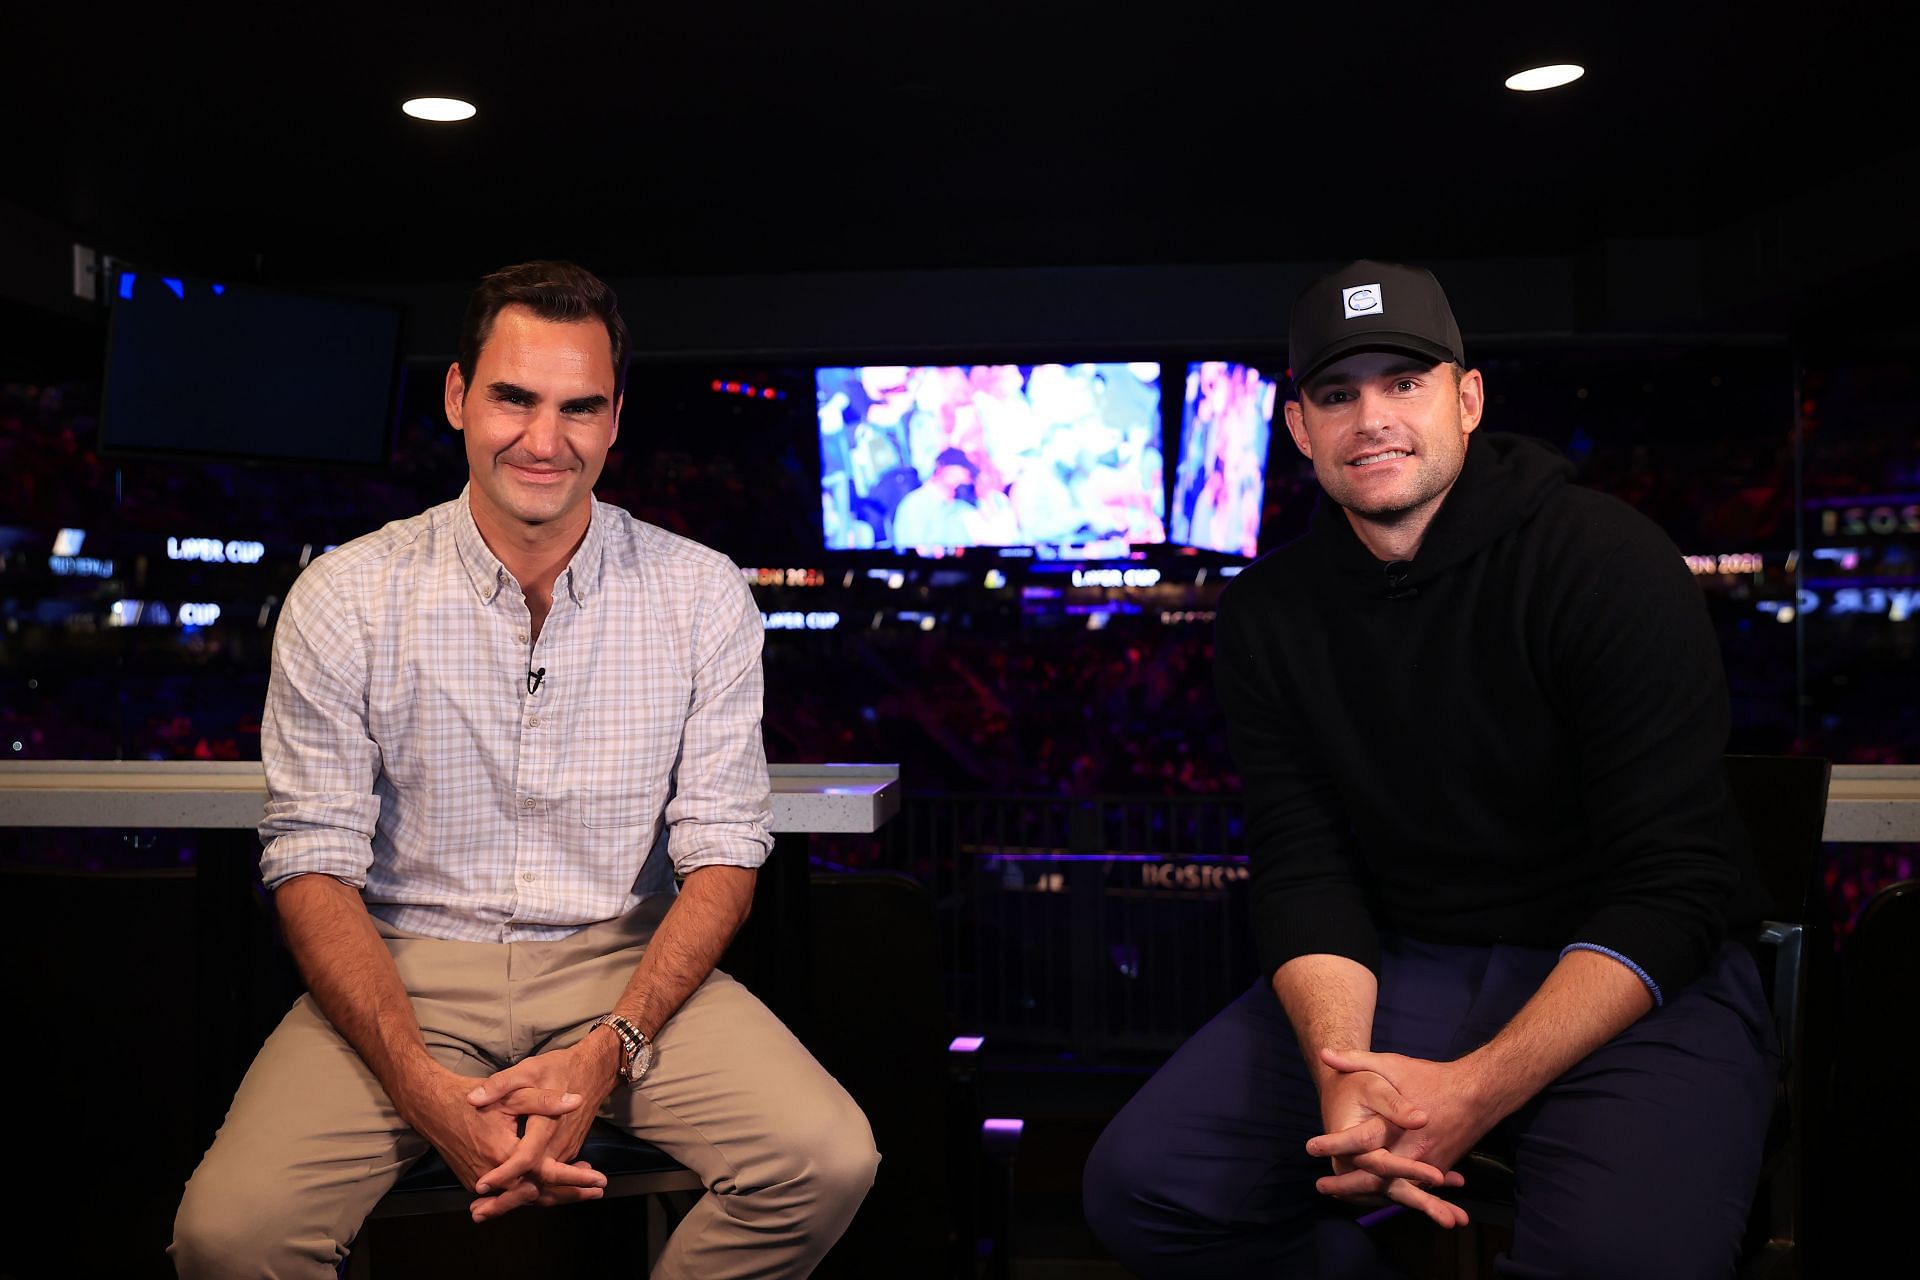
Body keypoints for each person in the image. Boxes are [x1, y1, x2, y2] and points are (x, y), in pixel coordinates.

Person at [172, 261, 878, 1279]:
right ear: (459, 396)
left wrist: (611, 1050)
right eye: (515, 398)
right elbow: (312, 862)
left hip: (620, 966)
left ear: (615, 419)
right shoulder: (346, 593)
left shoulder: (701, 594)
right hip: (404, 962)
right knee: (228, 1236)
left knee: (825, 1159)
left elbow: (724, 855)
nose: (546, 441)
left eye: (579, 407)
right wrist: (419, 1086)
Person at [1083, 260, 1776, 1278]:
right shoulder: (1271, 611)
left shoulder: (1605, 559)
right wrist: (1341, 1074)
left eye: (1403, 382)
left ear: (1467, 396)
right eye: (1337, 392)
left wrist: (1478, 1088)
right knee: (1144, 1187)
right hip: (1413, 962)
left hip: (1631, 973)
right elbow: (1304, 868)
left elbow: (1672, 886)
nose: (1372, 417)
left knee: (1620, 1257)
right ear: (1299, 425)